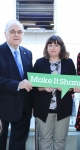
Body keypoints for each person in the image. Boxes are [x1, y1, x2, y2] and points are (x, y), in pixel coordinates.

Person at [33, 35, 76, 150]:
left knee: (60, 141)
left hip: (63, 109)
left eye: (56, 45)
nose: (53, 47)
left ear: (61, 47)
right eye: (50, 45)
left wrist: (66, 87)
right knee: (44, 140)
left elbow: (74, 84)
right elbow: (33, 85)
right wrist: (43, 88)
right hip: (43, 109)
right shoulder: (39, 63)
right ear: (46, 47)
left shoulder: (69, 63)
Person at [0, 20, 33, 150]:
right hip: (2, 108)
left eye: (19, 32)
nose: (16, 35)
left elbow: (30, 78)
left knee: (19, 145)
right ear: (5, 34)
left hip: (23, 108)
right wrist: (18, 84)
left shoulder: (27, 53)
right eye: (12, 31)